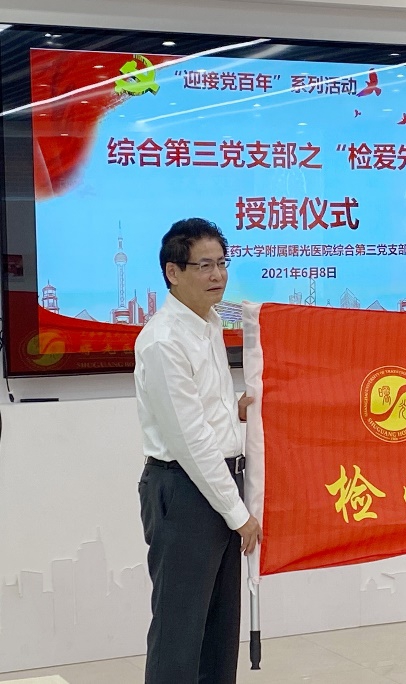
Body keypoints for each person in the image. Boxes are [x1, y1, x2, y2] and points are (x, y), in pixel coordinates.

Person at [134, 217, 262, 684]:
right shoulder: (163, 341)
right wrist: (238, 514)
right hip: (185, 491)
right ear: (173, 272)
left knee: (219, 630)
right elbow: (190, 441)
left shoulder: (209, 323)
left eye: (222, 263)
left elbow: (205, 409)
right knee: (179, 631)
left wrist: (237, 410)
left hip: (220, 484)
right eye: (204, 265)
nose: (217, 275)